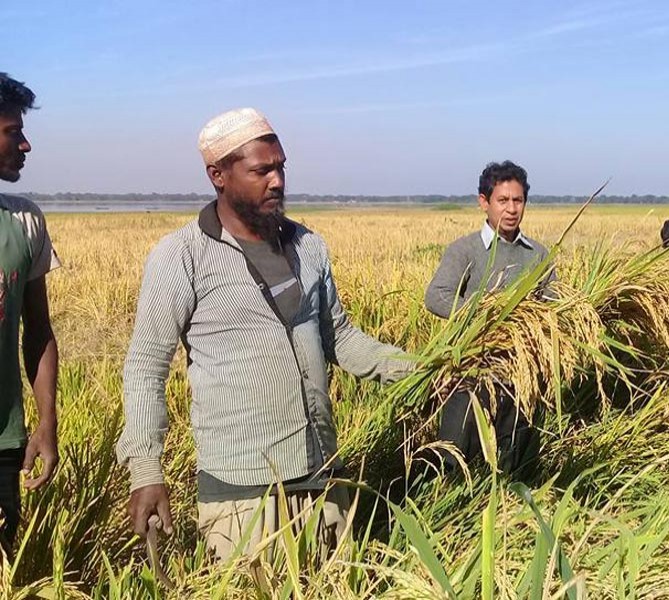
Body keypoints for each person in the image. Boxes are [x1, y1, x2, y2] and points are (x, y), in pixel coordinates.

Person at [116, 108, 411, 562]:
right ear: (218, 175)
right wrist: (146, 471)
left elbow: (342, 338)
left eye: (281, 167)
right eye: (261, 170)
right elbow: (145, 367)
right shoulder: (182, 257)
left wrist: (422, 369)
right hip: (242, 498)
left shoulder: (307, 245)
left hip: (322, 479)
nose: (277, 181)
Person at [424, 160, 551, 475]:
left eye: (518, 200)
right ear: (484, 202)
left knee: (516, 467)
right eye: (502, 201)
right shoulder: (465, 250)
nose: (511, 209)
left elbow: (553, 301)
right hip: (470, 375)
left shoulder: (538, 254)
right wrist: (483, 312)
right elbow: (436, 295)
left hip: (521, 379)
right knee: (455, 465)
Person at [0, 73, 61, 555]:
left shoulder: (24, 220)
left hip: (4, 442)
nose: (25, 144)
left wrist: (45, 422)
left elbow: (37, 332)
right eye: (11, 132)